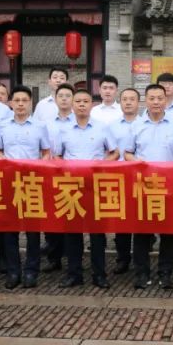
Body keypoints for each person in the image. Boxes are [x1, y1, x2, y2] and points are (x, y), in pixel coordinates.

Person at [124, 84, 173, 289]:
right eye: (152, 98)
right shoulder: (136, 125)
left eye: (160, 98)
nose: (156, 102)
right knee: (141, 233)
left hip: (168, 187)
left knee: (168, 233)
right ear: (146, 100)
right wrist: (139, 162)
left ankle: (165, 273)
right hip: (142, 187)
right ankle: (142, 274)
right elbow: (127, 153)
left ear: (165, 100)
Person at [57, 88, 118, 288]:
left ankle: (99, 274)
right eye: (78, 101)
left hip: (95, 186)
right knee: (72, 232)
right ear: (72, 105)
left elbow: (115, 153)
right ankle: (74, 274)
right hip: (71, 187)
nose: (82, 105)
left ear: (92, 105)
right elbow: (57, 156)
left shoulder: (102, 127)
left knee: (97, 233)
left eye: (85, 101)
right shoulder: (63, 129)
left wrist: (100, 165)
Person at [0, 86, 52, 289]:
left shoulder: (40, 126)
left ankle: (31, 271)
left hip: (32, 183)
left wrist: (39, 166)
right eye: (17, 100)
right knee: (9, 230)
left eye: (24, 100)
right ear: (11, 103)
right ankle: (13, 271)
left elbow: (46, 152)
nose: (20, 104)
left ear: (30, 103)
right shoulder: (3, 126)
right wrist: (4, 161)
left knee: (32, 231)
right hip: (9, 183)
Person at [41, 83, 76, 273]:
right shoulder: (46, 123)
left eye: (67, 96)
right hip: (51, 174)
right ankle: (54, 258)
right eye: (60, 96)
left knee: (71, 217)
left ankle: (72, 259)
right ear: (55, 99)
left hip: (74, 177)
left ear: (73, 99)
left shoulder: (79, 121)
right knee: (53, 217)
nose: (64, 99)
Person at [108, 87, 142, 275]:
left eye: (132, 99)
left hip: (141, 179)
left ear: (139, 102)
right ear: (120, 102)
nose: (128, 102)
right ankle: (122, 258)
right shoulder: (112, 126)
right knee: (121, 221)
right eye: (125, 99)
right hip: (119, 178)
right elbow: (108, 151)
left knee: (140, 220)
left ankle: (140, 259)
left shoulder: (144, 124)